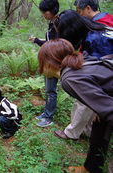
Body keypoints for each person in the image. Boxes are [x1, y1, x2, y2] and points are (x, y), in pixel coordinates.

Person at [38, 38, 113, 173]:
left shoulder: (70, 78)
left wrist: (104, 109)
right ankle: (91, 168)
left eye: (42, 61)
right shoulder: (81, 63)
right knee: (99, 127)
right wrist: (100, 108)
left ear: (49, 62)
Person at [54, 7, 113, 140]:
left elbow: (94, 71)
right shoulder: (97, 28)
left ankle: (73, 133)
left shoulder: (94, 39)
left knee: (83, 99)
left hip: (103, 78)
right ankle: (88, 130)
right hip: (104, 77)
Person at [28, 0, 59, 127]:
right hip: (49, 61)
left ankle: (49, 117)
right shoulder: (53, 23)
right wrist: (37, 40)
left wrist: (37, 41)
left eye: (44, 12)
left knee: (51, 90)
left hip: (54, 61)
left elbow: (52, 45)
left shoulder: (58, 24)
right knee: (48, 90)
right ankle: (46, 113)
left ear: (50, 11)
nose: (43, 15)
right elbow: (49, 41)